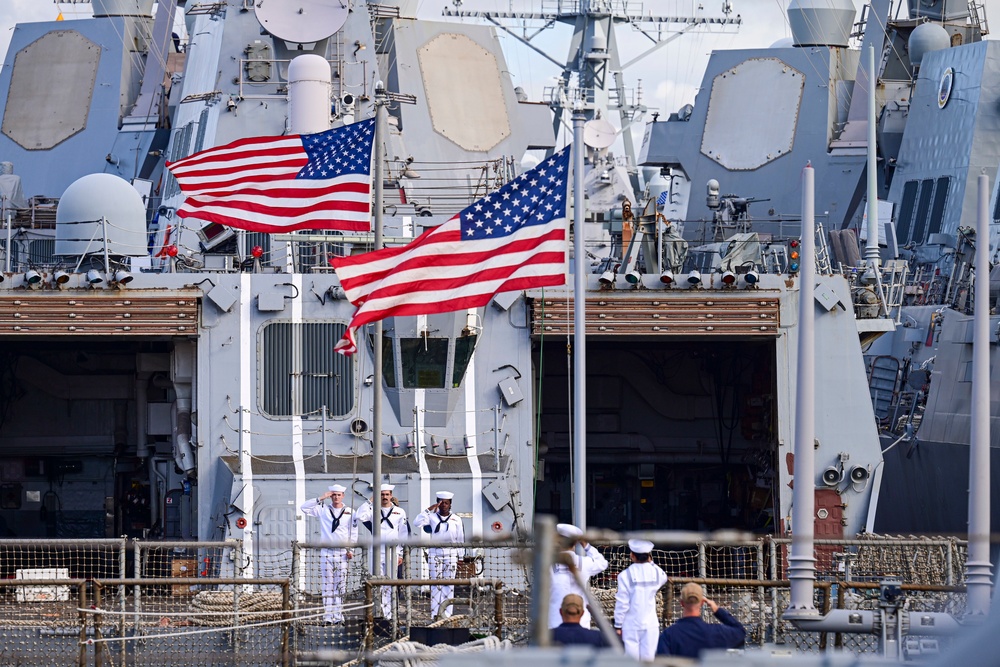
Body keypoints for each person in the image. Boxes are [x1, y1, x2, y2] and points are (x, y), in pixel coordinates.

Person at [299, 484, 358, 624]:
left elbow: (353, 533)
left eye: (338, 495)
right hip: (327, 553)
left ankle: (338, 616)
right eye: (333, 495)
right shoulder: (323, 510)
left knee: (340, 585)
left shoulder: (350, 512)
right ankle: (327, 616)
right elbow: (304, 508)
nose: (336, 497)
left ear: (343, 496)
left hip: (342, 553)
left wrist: (352, 550)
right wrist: (321, 497)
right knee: (327, 585)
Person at [356, 484, 409, 620]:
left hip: (393, 551)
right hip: (377, 551)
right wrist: (370, 501)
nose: (384, 497)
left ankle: (391, 614)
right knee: (377, 582)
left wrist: (401, 553)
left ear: (391, 495)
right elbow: (360, 516)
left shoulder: (399, 512)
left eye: (387, 494)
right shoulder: (372, 510)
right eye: (382, 494)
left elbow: (403, 533)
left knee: (391, 582)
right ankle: (380, 612)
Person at [412, 490, 465, 619]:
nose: (443, 506)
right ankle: (435, 613)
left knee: (449, 583)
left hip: (451, 553)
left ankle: (447, 613)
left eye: (446, 503)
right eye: (441, 503)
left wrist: (461, 557)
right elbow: (416, 523)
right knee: (435, 583)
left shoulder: (456, 519)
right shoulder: (431, 517)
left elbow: (460, 538)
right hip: (435, 552)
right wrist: (428, 510)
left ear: (450, 504)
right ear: (437, 504)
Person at [656, 582, 746, 658]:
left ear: (682, 603)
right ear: (702, 603)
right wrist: (717, 610)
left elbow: (662, 662)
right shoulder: (716, 632)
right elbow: (740, 631)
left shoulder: (669, 635)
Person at [614, 539, 667, 661]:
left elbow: (622, 603)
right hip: (650, 624)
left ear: (632, 555)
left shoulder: (624, 575)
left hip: (630, 624)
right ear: (649, 556)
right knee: (649, 660)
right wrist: (651, 563)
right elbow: (664, 577)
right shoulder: (657, 573)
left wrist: (618, 625)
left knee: (631, 661)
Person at [548, 523, 609, 629]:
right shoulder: (586, 563)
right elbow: (603, 563)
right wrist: (586, 545)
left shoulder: (547, 563)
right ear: (575, 542)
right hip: (581, 621)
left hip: (555, 622)